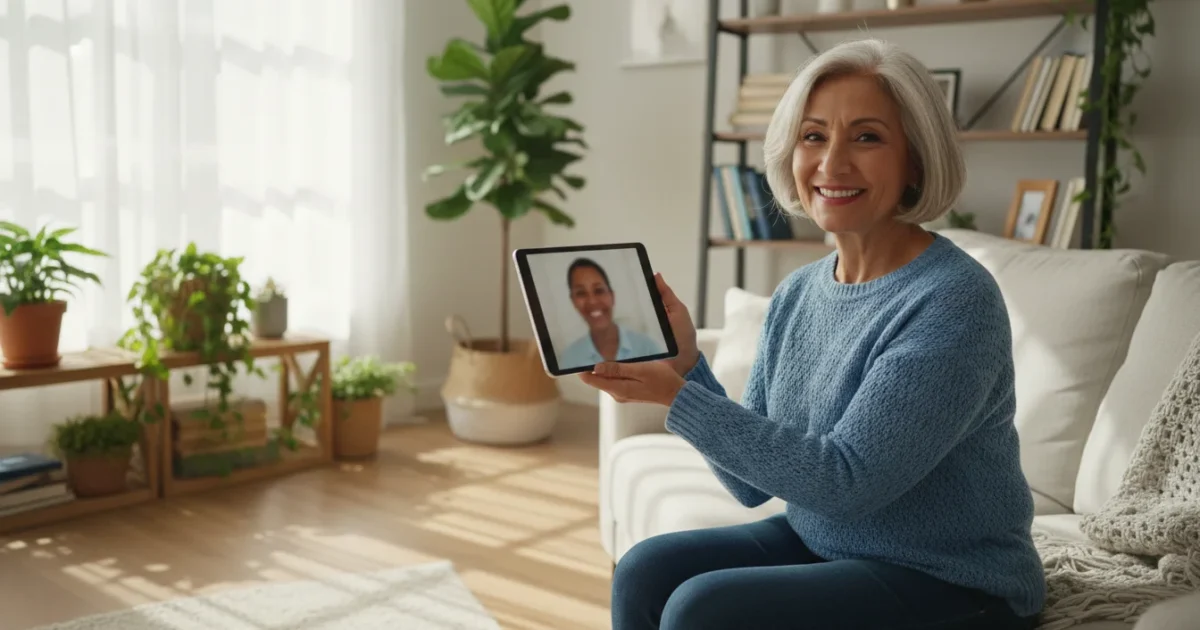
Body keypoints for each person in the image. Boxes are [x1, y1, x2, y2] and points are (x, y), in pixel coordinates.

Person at [580, 38, 1046, 630]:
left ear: (917, 161)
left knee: (703, 611)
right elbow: (748, 486)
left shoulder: (953, 301)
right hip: (829, 542)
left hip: (951, 580)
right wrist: (687, 367)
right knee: (646, 570)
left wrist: (675, 397)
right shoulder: (800, 292)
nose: (832, 164)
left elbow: (848, 480)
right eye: (814, 135)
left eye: (868, 137)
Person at [558, 257, 664, 369]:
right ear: (573, 301)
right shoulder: (569, 359)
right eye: (581, 293)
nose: (592, 301)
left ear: (612, 296)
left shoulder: (647, 347)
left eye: (599, 290)